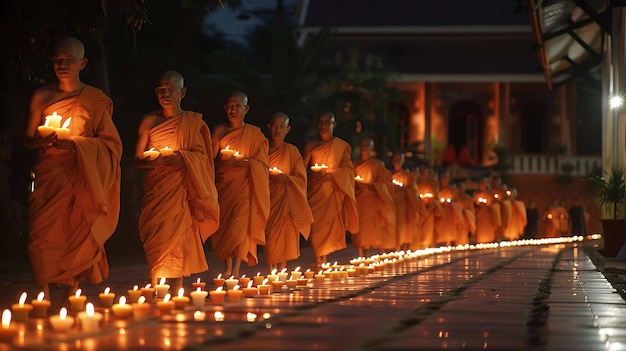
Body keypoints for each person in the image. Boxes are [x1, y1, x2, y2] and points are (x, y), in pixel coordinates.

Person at [23, 36, 122, 302]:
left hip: (81, 177)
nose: (62, 64)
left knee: (78, 231)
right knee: (40, 234)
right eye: (57, 59)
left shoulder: (95, 99)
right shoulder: (42, 95)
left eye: (69, 59)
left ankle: (71, 289)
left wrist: (76, 144)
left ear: (83, 62)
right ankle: (42, 290)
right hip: (49, 175)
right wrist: (41, 140)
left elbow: (111, 143)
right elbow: (28, 138)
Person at [134, 71, 219, 292]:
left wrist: (183, 157)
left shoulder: (193, 123)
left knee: (180, 235)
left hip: (180, 189)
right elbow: (137, 158)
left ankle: (177, 287)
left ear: (182, 92)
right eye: (161, 89)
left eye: (171, 89)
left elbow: (202, 157)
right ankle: (155, 284)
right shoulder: (149, 120)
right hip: (157, 188)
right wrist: (154, 160)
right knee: (155, 234)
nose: (165, 93)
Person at [211, 91, 269, 277]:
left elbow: (262, 163)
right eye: (230, 106)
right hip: (223, 186)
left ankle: (235, 269)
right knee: (224, 229)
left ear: (246, 109)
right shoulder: (219, 131)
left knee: (239, 230)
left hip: (244, 187)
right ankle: (227, 265)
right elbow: (209, 160)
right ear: (225, 108)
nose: (233, 110)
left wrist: (247, 163)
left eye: (238, 106)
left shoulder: (254, 134)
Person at [303, 111, 358, 267]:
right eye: (320, 122)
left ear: (334, 125)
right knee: (316, 227)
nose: (323, 126)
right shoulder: (311, 146)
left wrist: (331, 175)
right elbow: (301, 169)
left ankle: (322, 259)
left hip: (331, 191)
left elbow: (348, 170)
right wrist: (312, 176)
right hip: (315, 191)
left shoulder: (341, 146)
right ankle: (317, 257)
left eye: (327, 122)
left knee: (327, 226)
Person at [265, 112, 313, 271]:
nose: (277, 130)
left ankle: (282, 268)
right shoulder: (262, 149)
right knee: (270, 235)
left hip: (287, 200)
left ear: (288, 129)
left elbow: (301, 177)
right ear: (269, 127)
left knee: (285, 235)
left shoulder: (292, 152)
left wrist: (286, 179)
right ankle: (272, 270)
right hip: (268, 199)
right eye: (275, 126)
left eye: (281, 127)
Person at [352, 137, 396, 256]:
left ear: (372, 148)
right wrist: (357, 184)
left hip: (371, 199)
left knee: (370, 227)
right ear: (359, 147)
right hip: (359, 199)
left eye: (367, 145)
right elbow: (348, 180)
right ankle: (361, 254)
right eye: (363, 145)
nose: (365, 148)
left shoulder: (377, 164)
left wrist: (372, 186)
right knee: (359, 228)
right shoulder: (353, 164)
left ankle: (367, 253)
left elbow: (385, 180)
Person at [390, 151, 419, 251]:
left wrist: (405, 190)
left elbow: (414, 191)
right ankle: (395, 248)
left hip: (404, 206)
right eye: (395, 159)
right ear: (393, 161)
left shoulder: (408, 176)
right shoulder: (388, 175)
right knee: (393, 227)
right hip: (392, 205)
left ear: (403, 161)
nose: (397, 161)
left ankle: (404, 248)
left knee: (403, 227)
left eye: (399, 159)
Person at [473, 177, 501, 243]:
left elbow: (495, 204)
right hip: (480, 215)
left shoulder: (490, 193)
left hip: (489, 214)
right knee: (480, 230)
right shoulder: (476, 194)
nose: (482, 185)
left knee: (489, 229)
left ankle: (490, 240)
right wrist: (479, 205)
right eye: (481, 184)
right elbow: (474, 205)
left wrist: (489, 206)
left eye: (484, 183)